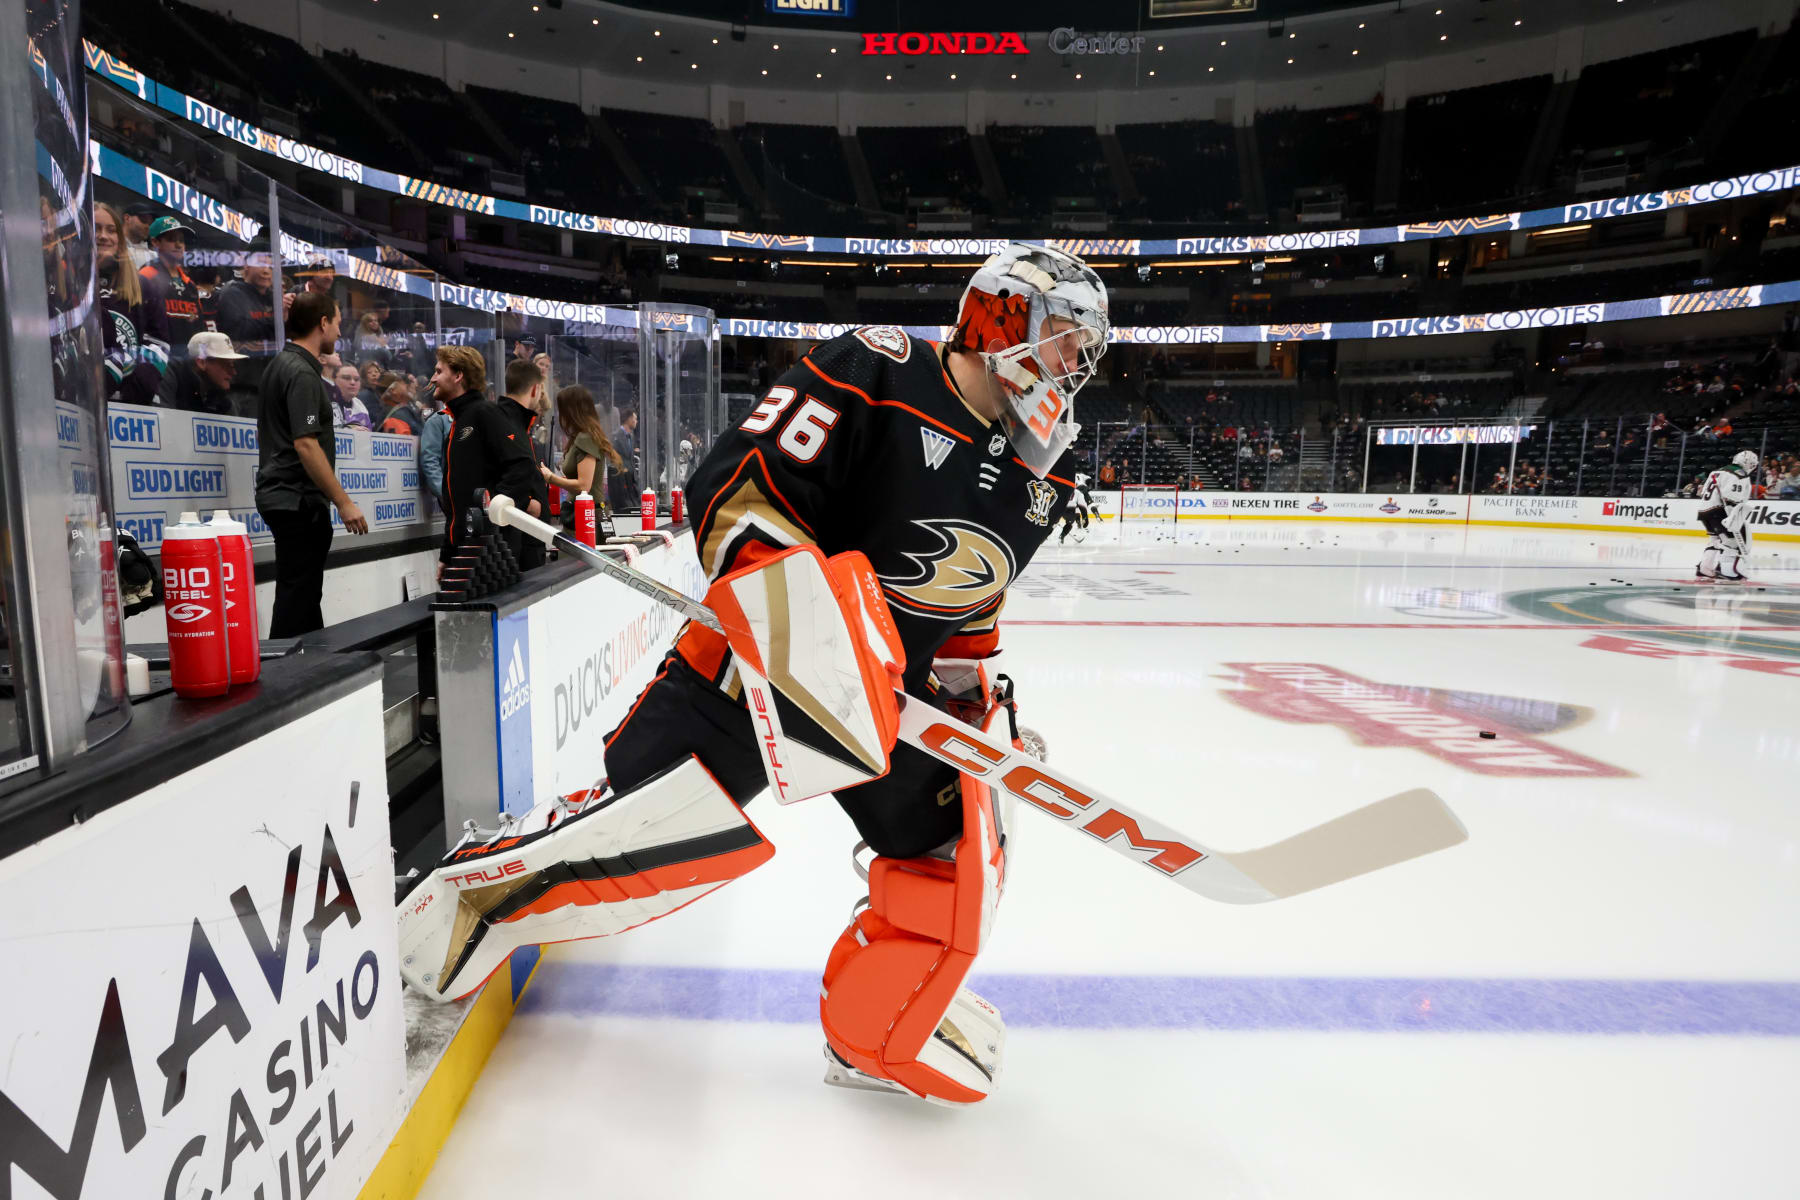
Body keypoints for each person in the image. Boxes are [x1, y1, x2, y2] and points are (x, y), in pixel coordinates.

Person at [397, 243, 1109, 1108]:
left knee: (957, 854)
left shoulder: (1047, 468)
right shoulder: (876, 369)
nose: (1075, 365)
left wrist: (973, 707)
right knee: (638, 846)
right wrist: (813, 634)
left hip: (891, 709)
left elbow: (970, 605)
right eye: (1066, 338)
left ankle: (872, 1030)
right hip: (753, 675)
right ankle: (465, 908)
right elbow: (734, 491)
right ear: (1000, 318)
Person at [254, 291, 368, 637]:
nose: (338, 331)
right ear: (322, 323)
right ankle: (285, 682)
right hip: (295, 499)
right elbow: (305, 443)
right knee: (297, 596)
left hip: (289, 497)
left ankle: (312, 672)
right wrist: (344, 502)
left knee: (303, 594)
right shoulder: (301, 373)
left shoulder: (282, 365)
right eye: (336, 323)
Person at [435, 345, 542, 572]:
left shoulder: (485, 413)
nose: (433, 379)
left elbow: (522, 465)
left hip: (490, 552)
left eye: (439, 371)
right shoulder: (458, 423)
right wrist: (448, 552)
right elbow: (455, 500)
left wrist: (492, 511)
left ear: (458, 375)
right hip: (464, 550)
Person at [93, 201, 165, 406]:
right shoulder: (72, 285)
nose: (103, 236)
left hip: (134, 404)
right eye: (96, 228)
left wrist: (134, 391)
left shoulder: (144, 286)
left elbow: (158, 343)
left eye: (111, 230)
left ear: (120, 239)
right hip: (86, 400)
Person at [495, 359, 552, 570]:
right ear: (535, 390)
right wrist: (525, 502)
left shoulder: (518, 426)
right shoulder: (503, 423)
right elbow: (496, 474)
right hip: (514, 538)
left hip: (529, 536)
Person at [541, 384, 624, 526]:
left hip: (586, 517)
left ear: (571, 411)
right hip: (584, 513)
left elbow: (584, 485)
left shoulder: (585, 438)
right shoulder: (582, 437)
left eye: (562, 408)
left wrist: (551, 478)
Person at [139, 216, 204, 354]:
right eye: (171, 239)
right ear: (155, 242)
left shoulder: (190, 285)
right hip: (159, 361)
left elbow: (199, 328)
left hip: (188, 363)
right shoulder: (146, 277)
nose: (178, 245)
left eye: (181, 240)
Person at [1696, 450, 1758, 581]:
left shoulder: (1718, 471)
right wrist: (1733, 517)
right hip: (1720, 511)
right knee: (1732, 541)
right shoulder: (1740, 474)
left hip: (1704, 511)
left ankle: (1705, 569)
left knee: (1716, 541)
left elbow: (1702, 492)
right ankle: (1728, 572)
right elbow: (1731, 498)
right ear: (1749, 464)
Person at [156, 331, 244, 414]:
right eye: (227, 365)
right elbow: (162, 421)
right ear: (202, 362)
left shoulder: (220, 396)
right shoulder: (170, 373)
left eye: (233, 365)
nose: (233, 372)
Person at [332, 363, 374, 429]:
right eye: (346, 378)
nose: (352, 382)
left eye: (357, 379)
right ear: (333, 379)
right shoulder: (325, 402)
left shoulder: (360, 406)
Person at [1058, 471, 1095, 543]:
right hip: (1070, 510)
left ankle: (1043, 537)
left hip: (1060, 509)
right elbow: (1083, 507)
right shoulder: (1078, 492)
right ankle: (1061, 536)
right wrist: (1085, 518)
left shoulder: (1063, 490)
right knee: (1069, 524)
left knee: (1053, 523)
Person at [122, 202, 156, 271]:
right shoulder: (112, 246)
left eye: (151, 223)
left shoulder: (154, 257)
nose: (147, 226)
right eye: (144, 220)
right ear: (127, 218)